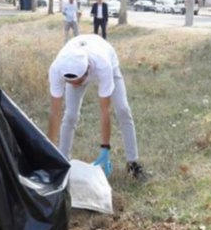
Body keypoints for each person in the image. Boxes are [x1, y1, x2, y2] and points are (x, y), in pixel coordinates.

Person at [47, 34, 145, 180]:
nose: (75, 85)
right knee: (70, 115)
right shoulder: (56, 69)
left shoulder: (103, 65)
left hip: (107, 60)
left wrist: (105, 149)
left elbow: (105, 110)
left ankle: (133, 162)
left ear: (87, 70)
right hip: (80, 60)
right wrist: (48, 153)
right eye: (70, 82)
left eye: (78, 81)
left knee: (123, 109)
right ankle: (62, 162)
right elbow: (55, 113)